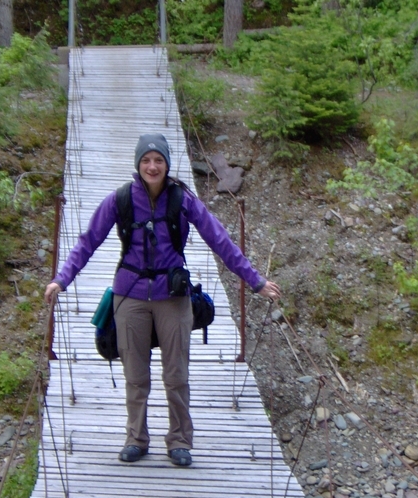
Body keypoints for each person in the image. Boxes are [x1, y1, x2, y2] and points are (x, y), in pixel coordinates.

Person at [44, 133, 280, 467]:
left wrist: (255, 281)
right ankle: (136, 438)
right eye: (146, 160)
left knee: (176, 373)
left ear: (167, 164)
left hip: (173, 296)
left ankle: (180, 440)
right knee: (135, 375)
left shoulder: (183, 200)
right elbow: (88, 241)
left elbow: (219, 240)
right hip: (130, 296)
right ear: (137, 164)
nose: (152, 166)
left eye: (158, 160)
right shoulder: (121, 200)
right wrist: (61, 279)